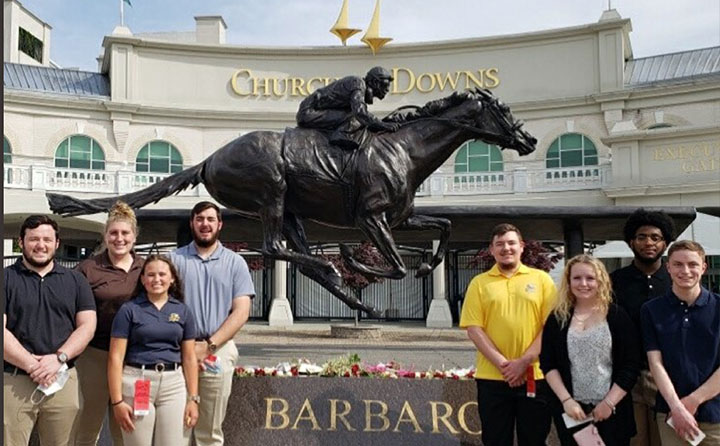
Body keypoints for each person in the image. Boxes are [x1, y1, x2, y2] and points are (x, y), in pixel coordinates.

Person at [460, 223, 557, 446]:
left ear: (522, 246)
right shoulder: (479, 283)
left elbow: (550, 328)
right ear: (491, 250)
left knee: (534, 439)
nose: (506, 248)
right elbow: (474, 329)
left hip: (534, 376)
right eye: (500, 244)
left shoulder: (542, 280)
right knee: (495, 439)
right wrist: (506, 366)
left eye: (511, 243)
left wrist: (523, 362)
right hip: (492, 378)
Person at [3, 215, 97, 446]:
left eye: (47, 239)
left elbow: (87, 325)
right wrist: (32, 365)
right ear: (21, 242)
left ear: (57, 243)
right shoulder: (5, 278)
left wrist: (58, 358)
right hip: (14, 380)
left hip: (62, 378)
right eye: (33, 239)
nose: (40, 245)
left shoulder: (76, 281)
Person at [169, 201, 255, 446]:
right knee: (176, 430)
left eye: (210, 219)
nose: (204, 224)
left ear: (220, 224)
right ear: (192, 223)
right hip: (177, 350)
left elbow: (241, 311)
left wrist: (208, 346)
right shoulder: (173, 260)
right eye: (199, 219)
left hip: (218, 348)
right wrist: (187, 347)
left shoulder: (235, 263)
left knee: (210, 432)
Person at [540, 254, 640, 446]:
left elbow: (630, 365)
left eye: (590, 278)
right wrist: (567, 401)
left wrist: (609, 403)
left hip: (611, 411)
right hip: (573, 412)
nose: (583, 283)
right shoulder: (558, 318)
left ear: (600, 281)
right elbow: (548, 363)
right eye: (577, 278)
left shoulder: (617, 316)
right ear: (568, 282)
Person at [108, 255, 199, 446]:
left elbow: (189, 358)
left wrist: (193, 399)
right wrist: (117, 402)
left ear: (172, 278)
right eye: (150, 275)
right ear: (142, 279)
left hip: (173, 385)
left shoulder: (182, 311)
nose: (156, 279)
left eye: (162, 274)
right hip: (138, 382)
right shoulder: (129, 310)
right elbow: (116, 358)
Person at [73, 201, 145, 446]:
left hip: (133, 358)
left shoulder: (146, 268)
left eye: (125, 233)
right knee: (87, 422)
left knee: (127, 425)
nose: (119, 238)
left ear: (134, 237)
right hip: (95, 355)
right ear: (105, 236)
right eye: (113, 233)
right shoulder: (88, 268)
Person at [641, 240, 720, 445]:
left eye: (692, 264)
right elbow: (655, 364)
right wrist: (677, 408)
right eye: (677, 264)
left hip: (716, 414)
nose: (685, 270)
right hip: (671, 414)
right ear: (668, 267)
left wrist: (692, 402)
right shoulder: (651, 310)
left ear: (703, 267)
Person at [610, 208, 675, 446]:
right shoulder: (615, 281)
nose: (648, 242)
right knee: (635, 440)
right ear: (631, 242)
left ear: (665, 243)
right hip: (628, 375)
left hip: (668, 376)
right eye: (641, 237)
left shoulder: (675, 280)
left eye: (655, 237)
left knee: (665, 439)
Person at [296, 66, 399, 150]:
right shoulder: (358, 84)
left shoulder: (359, 86)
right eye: (385, 85)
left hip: (317, 111)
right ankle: (340, 135)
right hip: (309, 112)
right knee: (354, 117)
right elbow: (360, 112)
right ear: (374, 82)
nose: (387, 89)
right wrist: (381, 124)